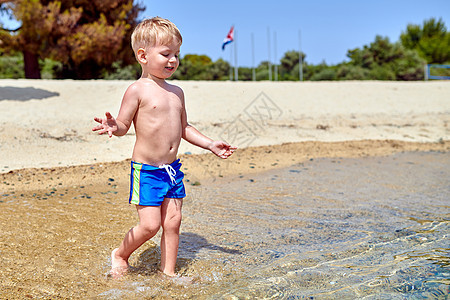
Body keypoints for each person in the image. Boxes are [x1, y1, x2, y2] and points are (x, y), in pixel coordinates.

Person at [92, 17, 236, 279]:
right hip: (146, 170)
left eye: (177, 54)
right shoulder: (137, 89)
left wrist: (210, 144)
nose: (173, 60)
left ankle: (167, 273)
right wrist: (114, 126)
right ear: (143, 55)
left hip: (171, 170)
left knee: (173, 222)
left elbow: (184, 128)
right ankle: (121, 254)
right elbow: (125, 125)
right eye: (166, 53)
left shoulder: (177, 92)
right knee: (150, 226)